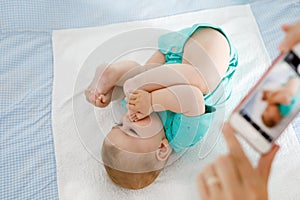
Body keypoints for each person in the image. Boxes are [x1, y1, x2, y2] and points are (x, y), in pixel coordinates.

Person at [85, 23, 238, 189]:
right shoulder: (179, 138)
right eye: (132, 131)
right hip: (208, 51)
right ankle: (140, 80)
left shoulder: (135, 105)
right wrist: (151, 101)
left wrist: (109, 93)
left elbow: (132, 73)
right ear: (162, 148)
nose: (128, 119)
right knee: (203, 82)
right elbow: (193, 97)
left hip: (169, 54)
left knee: (136, 75)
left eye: (120, 124)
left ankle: (111, 73)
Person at [198, 20, 300, 200]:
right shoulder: (282, 100)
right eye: (272, 112)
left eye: (267, 112)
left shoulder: (276, 96)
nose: (270, 109)